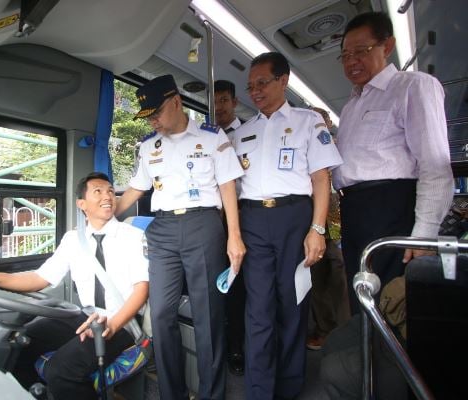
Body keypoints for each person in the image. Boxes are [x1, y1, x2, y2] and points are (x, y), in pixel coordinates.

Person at [0, 172, 149, 400]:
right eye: (98, 191)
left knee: (61, 371)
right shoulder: (73, 239)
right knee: (17, 346)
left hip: (121, 323)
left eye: (111, 191)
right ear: (81, 204)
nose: (108, 196)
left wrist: (111, 324)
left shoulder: (134, 237)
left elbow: (141, 290)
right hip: (86, 316)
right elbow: (39, 279)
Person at [116, 74, 245, 400]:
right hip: (162, 232)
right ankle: (171, 394)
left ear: (176, 102)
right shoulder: (148, 145)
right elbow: (137, 187)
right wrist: (109, 209)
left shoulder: (212, 137)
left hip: (203, 225)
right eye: (149, 117)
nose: (154, 121)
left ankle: (211, 394)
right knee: (159, 314)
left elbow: (228, 185)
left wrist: (234, 237)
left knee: (208, 317)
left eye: (157, 113)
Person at [232, 52, 342, 400]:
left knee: (292, 303)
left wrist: (318, 229)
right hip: (252, 219)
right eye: (250, 87)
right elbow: (230, 188)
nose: (256, 92)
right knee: (258, 308)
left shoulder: (309, 121)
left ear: (284, 80)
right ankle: (259, 390)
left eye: (262, 83)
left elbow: (321, 179)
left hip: (295, 217)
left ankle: (290, 385)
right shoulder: (243, 132)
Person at [331, 11, 454, 313]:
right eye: (345, 55)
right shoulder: (349, 108)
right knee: (362, 296)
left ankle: (388, 360)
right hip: (355, 212)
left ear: (387, 46)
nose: (351, 62)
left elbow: (435, 165)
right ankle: (366, 359)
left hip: (392, 207)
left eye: (361, 51)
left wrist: (424, 233)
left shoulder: (413, 86)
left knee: (390, 303)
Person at [307, 107, 351, 351]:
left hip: (339, 225)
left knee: (341, 280)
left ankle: (346, 333)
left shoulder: (339, 148)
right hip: (313, 223)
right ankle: (324, 330)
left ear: (329, 124)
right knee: (316, 280)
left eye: (320, 122)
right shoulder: (302, 151)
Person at [214, 79, 246, 376]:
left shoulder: (248, 133)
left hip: (242, 217)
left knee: (240, 285)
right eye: (214, 101)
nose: (218, 106)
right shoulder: (206, 137)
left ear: (234, 102)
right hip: (214, 220)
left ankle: (239, 345)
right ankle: (224, 342)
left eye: (224, 100)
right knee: (220, 284)